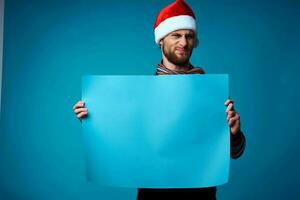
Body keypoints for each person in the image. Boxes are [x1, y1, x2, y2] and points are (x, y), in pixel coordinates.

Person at [73, 0, 246, 199]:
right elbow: (123, 143)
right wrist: (93, 122)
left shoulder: (212, 92)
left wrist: (234, 133)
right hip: (153, 195)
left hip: (201, 194)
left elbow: (235, 152)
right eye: (176, 35)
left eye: (189, 36)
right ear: (161, 40)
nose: (184, 42)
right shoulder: (137, 97)